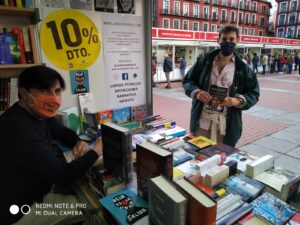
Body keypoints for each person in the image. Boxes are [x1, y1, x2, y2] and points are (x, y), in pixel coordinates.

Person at [0, 66, 103, 225]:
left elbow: (62, 132)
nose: (54, 98)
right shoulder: (17, 127)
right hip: (20, 210)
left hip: (38, 190)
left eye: (57, 91)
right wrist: (96, 150)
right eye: (44, 90)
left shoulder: (35, 112)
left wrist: (78, 141)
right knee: (92, 207)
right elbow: (63, 176)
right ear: (23, 93)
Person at [182, 25, 260, 147]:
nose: (227, 42)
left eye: (231, 39)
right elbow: (188, 80)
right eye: (224, 39)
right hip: (202, 121)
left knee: (221, 160)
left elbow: (254, 93)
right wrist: (197, 92)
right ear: (218, 40)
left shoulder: (243, 69)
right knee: (198, 156)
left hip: (226, 126)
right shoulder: (204, 61)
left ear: (237, 40)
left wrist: (237, 100)